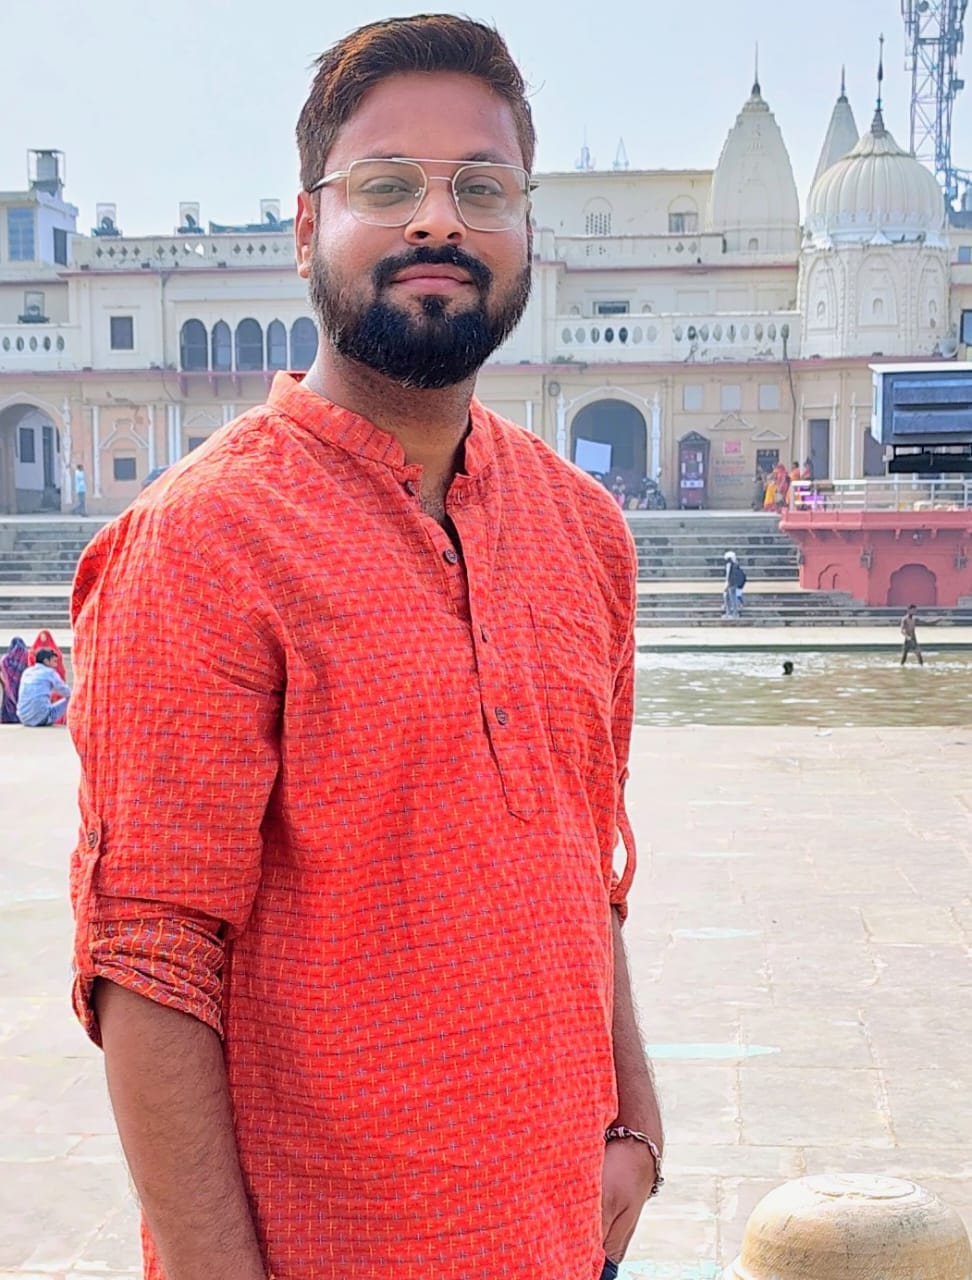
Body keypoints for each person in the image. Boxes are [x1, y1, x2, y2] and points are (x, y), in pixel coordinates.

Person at [69, 18, 662, 1280]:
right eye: (387, 185)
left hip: (565, 1232)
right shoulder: (206, 543)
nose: (438, 220)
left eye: (482, 188)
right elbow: (151, 961)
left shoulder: (582, 529)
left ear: (526, 231)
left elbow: (584, 851)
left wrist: (636, 1123)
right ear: (306, 230)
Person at [16, 647, 71, 725]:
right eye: (54, 661)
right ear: (46, 661)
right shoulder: (50, 672)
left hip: (23, 718)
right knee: (72, 697)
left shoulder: (27, 672)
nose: (56, 665)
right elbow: (66, 691)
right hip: (41, 718)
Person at [0, 636, 29, 723]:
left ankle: (7, 719)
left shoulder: (5, 659)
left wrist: (5, 684)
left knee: (8, 704)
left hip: (8, 688)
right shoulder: (25, 658)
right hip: (21, 687)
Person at [723, 550, 746, 618]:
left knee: (731, 598)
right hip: (735, 583)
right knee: (730, 597)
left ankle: (733, 614)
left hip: (731, 583)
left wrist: (727, 584)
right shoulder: (736, 564)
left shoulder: (729, 564)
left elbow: (728, 575)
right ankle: (730, 613)